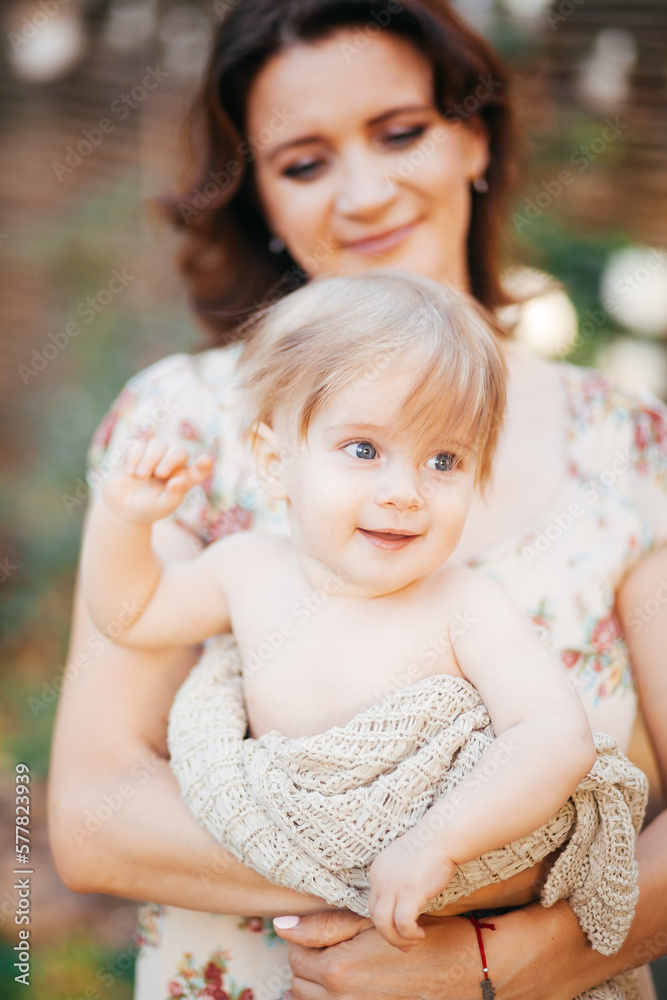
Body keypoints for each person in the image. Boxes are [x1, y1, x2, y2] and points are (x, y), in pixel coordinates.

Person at [47, 2, 667, 999]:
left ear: (472, 135)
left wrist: (496, 952)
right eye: (304, 162)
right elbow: (91, 814)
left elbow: (559, 746)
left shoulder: (624, 446)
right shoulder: (184, 425)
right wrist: (126, 518)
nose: (366, 192)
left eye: (400, 131)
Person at [79, 271, 603, 953]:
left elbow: (553, 734)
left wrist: (437, 840)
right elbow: (132, 614)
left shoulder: (464, 604)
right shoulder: (247, 571)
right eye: (364, 450)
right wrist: (122, 520)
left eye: (444, 459)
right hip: (263, 926)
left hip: (425, 932)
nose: (405, 492)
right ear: (274, 463)